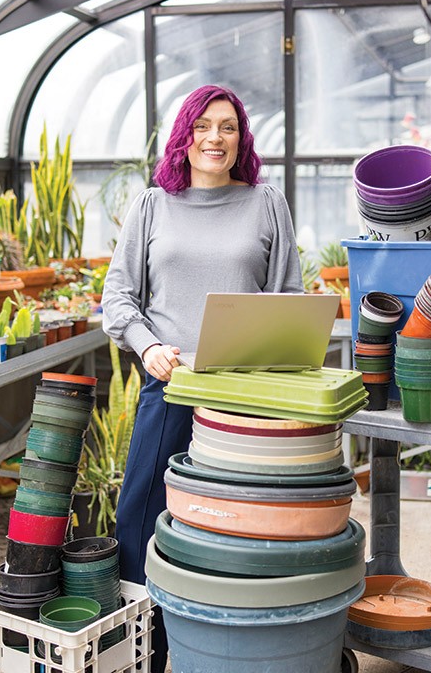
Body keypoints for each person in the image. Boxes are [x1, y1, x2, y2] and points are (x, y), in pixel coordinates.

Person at [101, 84, 303, 670]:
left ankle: (223, 646)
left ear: (242, 139)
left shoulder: (266, 202)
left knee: (235, 518)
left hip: (244, 393)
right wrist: (150, 347)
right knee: (141, 511)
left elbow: (286, 295)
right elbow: (118, 297)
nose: (215, 138)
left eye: (228, 127)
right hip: (171, 385)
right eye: (203, 126)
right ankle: (146, 646)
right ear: (184, 136)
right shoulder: (152, 206)